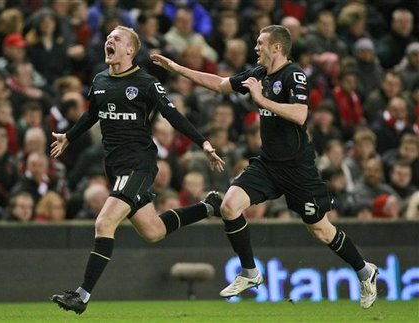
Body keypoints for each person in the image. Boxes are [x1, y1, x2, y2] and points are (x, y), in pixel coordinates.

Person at [152, 24, 378, 309]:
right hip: (268, 164)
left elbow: (299, 114)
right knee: (229, 206)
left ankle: (363, 271)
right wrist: (176, 68)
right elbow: (221, 84)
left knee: (321, 231)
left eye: (261, 43)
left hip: (298, 169)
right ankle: (250, 272)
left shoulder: (294, 75)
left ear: (277, 48)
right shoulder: (258, 74)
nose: (256, 47)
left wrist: (260, 99)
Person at [50, 26, 225, 315]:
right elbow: (92, 114)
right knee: (153, 231)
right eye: (108, 37)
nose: (110, 40)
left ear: (131, 50)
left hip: (139, 164)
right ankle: (209, 207)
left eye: (117, 39)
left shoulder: (145, 83)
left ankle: (81, 295)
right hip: (116, 167)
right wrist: (69, 136)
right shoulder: (100, 80)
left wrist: (203, 143)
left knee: (104, 223)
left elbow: (172, 114)